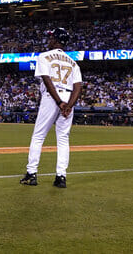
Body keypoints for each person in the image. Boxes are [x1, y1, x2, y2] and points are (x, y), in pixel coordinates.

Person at [21, 28, 82, 189]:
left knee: (39, 136)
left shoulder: (44, 56)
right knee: (63, 139)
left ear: (55, 40)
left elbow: (47, 80)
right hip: (69, 97)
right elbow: (78, 87)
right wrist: (69, 105)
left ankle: (31, 174)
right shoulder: (73, 62)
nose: (49, 40)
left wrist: (59, 102)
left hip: (52, 97)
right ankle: (61, 177)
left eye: (51, 38)